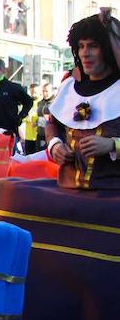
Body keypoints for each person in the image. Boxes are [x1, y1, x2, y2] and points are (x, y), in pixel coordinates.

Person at [45, 13, 120, 189]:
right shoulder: (68, 87)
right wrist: (55, 145)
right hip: (68, 194)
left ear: (109, 49)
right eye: (80, 46)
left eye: (93, 46)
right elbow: (52, 124)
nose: (85, 53)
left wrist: (112, 145)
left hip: (113, 197)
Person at [22, 83, 41, 154]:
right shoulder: (27, 103)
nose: (33, 94)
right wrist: (26, 117)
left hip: (38, 136)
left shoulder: (41, 103)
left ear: (39, 91)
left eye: (35, 92)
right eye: (32, 92)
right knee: (28, 157)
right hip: (28, 136)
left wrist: (37, 121)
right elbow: (22, 117)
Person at [36, 81, 54, 150]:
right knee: (38, 153)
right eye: (43, 91)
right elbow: (39, 116)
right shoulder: (40, 103)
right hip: (40, 132)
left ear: (52, 91)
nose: (44, 93)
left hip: (50, 134)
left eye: (47, 91)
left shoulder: (54, 102)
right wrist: (36, 121)